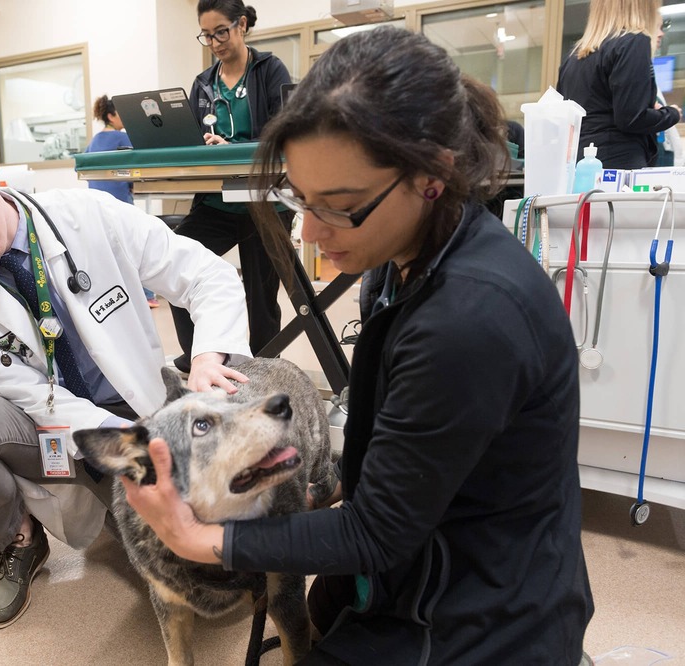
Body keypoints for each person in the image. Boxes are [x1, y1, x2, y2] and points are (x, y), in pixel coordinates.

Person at [123, 26, 594, 664]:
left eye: (341, 206)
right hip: (421, 558)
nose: (312, 233)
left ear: (433, 174)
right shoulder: (415, 251)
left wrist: (198, 539)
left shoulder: (469, 320)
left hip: (483, 616)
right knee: (323, 611)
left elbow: (375, 534)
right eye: (301, 200)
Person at [0, 118, 252, 630]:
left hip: (139, 403)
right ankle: (17, 537)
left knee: (209, 583)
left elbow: (206, 276)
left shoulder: (88, 214)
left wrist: (207, 356)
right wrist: (123, 446)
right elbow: (26, 397)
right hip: (42, 428)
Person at [169, 0, 293, 373]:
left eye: (221, 31)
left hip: (265, 203)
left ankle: (264, 370)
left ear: (241, 25)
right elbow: (190, 136)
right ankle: (201, 358)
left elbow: (282, 131)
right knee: (177, 268)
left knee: (261, 298)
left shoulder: (269, 70)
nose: (215, 42)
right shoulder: (203, 83)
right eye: (207, 35)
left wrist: (234, 147)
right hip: (217, 203)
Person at [557, 0, 681, 169]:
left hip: (577, 166)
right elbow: (631, 119)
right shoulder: (634, 42)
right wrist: (671, 114)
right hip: (619, 165)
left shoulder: (572, 58)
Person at [84, 94, 158, 308]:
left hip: (96, 206)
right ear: (111, 115)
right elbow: (139, 164)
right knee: (136, 247)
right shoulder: (123, 138)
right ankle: (147, 295)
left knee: (110, 252)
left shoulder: (94, 140)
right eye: (121, 114)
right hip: (120, 204)